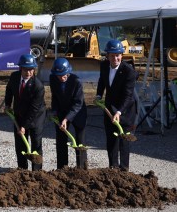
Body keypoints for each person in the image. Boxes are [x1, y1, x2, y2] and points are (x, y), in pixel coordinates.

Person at [96, 39, 136, 171]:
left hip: (125, 110)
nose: (115, 58)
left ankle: (124, 169)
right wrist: (98, 95)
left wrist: (119, 112)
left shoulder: (128, 71)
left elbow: (128, 95)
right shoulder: (103, 66)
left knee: (124, 140)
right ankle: (113, 167)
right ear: (107, 55)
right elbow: (102, 81)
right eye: (112, 55)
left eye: (118, 55)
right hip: (109, 107)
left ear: (121, 55)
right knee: (111, 139)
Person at [5, 53, 46, 171]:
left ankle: (37, 171)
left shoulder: (38, 86)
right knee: (20, 144)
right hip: (19, 113)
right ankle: (22, 170)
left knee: (36, 143)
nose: (28, 73)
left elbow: (34, 109)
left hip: (36, 117)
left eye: (31, 70)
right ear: (20, 68)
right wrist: (8, 104)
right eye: (26, 70)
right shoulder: (14, 77)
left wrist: (24, 126)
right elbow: (9, 90)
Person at [49, 58, 88, 170]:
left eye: (64, 75)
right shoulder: (53, 78)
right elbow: (55, 97)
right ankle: (62, 168)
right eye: (59, 75)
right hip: (61, 111)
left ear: (69, 71)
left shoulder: (76, 82)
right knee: (61, 141)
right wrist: (54, 112)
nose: (62, 77)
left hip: (78, 112)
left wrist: (66, 119)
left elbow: (78, 104)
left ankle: (81, 169)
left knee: (80, 142)